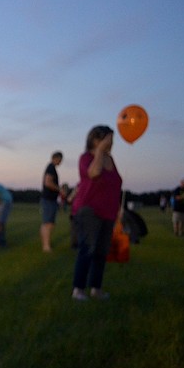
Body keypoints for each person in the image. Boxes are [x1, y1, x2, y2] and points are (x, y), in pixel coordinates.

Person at [71, 125, 122, 301]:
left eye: (112, 139)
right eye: (108, 139)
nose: (111, 143)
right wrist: (99, 151)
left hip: (108, 212)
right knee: (88, 249)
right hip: (89, 210)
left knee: (101, 252)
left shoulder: (110, 159)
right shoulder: (86, 158)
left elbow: (116, 185)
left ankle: (96, 289)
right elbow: (93, 173)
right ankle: (78, 290)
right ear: (96, 140)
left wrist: (118, 210)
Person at [39, 151, 63, 252]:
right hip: (48, 200)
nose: (61, 162)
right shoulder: (51, 167)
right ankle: (46, 246)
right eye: (60, 160)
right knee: (48, 223)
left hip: (50, 200)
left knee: (48, 223)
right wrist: (59, 189)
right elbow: (48, 183)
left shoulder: (51, 168)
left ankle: (46, 243)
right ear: (56, 158)